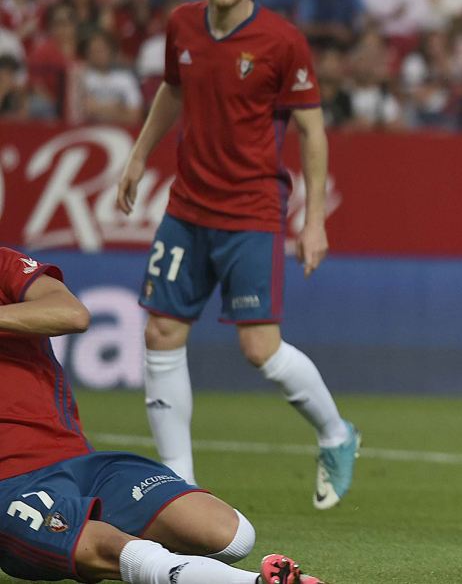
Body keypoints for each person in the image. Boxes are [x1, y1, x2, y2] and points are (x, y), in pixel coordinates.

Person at [114, 0, 361, 511]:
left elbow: (311, 129)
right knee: (160, 335)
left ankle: (336, 434)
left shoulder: (282, 41)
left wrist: (314, 218)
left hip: (250, 212)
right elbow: (173, 89)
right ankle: (179, 488)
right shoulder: (181, 23)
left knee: (260, 349)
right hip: (185, 209)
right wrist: (137, 155)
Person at [0, 247, 325, 584]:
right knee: (118, 550)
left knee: (232, 535)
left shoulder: (3, 263)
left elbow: (72, 314)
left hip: (80, 462)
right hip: (9, 484)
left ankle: (167, 564)